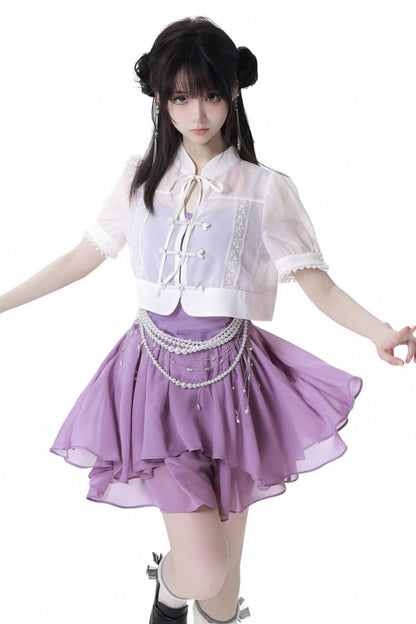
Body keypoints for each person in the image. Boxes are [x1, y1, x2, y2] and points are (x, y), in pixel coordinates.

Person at [1, 15, 415, 624]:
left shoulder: (264, 188)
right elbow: (78, 259)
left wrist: (380, 332)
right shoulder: (140, 179)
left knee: (222, 591)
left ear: (233, 93)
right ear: (160, 99)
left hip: (235, 386)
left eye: (211, 94)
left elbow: (316, 283)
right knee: (201, 569)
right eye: (180, 97)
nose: (197, 113)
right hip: (153, 384)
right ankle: (170, 592)